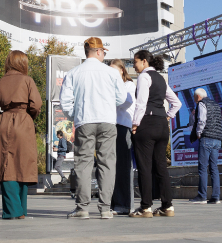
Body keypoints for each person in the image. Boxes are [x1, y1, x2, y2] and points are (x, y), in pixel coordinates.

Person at [59, 37, 127, 220]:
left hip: (85, 122)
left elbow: (65, 102)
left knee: (83, 164)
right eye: (103, 51)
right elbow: (122, 98)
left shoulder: (74, 72)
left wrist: (76, 115)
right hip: (107, 121)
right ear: (98, 51)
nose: (104, 54)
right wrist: (107, 105)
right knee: (107, 164)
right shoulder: (111, 73)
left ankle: (82, 208)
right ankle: (105, 209)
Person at [0, 50, 42, 219]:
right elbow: (36, 104)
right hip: (24, 121)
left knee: (7, 165)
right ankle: (20, 210)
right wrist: (27, 116)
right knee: (22, 165)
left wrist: (1, 118)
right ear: (22, 63)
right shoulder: (27, 80)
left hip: (4, 122)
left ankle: (13, 211)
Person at [129, 51, 181, 218]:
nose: (134, 65)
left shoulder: (144, 77)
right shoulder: (160, 78)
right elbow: (176, 103)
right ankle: (168, 206)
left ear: (144, 61)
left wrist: (135, 124)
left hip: (147, 124)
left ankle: (146, 207)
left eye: (135, 62)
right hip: (161, 125)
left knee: (144, 166)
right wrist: (167, 116)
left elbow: (141, 103)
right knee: (161, 167)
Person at [109, 58, 136, 215]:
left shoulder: (128, 85)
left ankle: (125, 204)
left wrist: (111, 100)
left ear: (121, 70)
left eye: (114, 69)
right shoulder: (111, 86)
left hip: (123, 126)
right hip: (111, 126)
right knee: (111, 166)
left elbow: (127, 102)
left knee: (123, 166)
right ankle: (115, 202)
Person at [188, 87, 222, 204]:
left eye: (194, 98)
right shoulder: (216, 105)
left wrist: (198, 133)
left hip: (206, 138)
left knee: (202, 168)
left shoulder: (202, 104)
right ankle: (215, 197)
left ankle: (202, 196)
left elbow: (201, 120)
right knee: (214, 168)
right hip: (217, 139)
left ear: (197, 97)